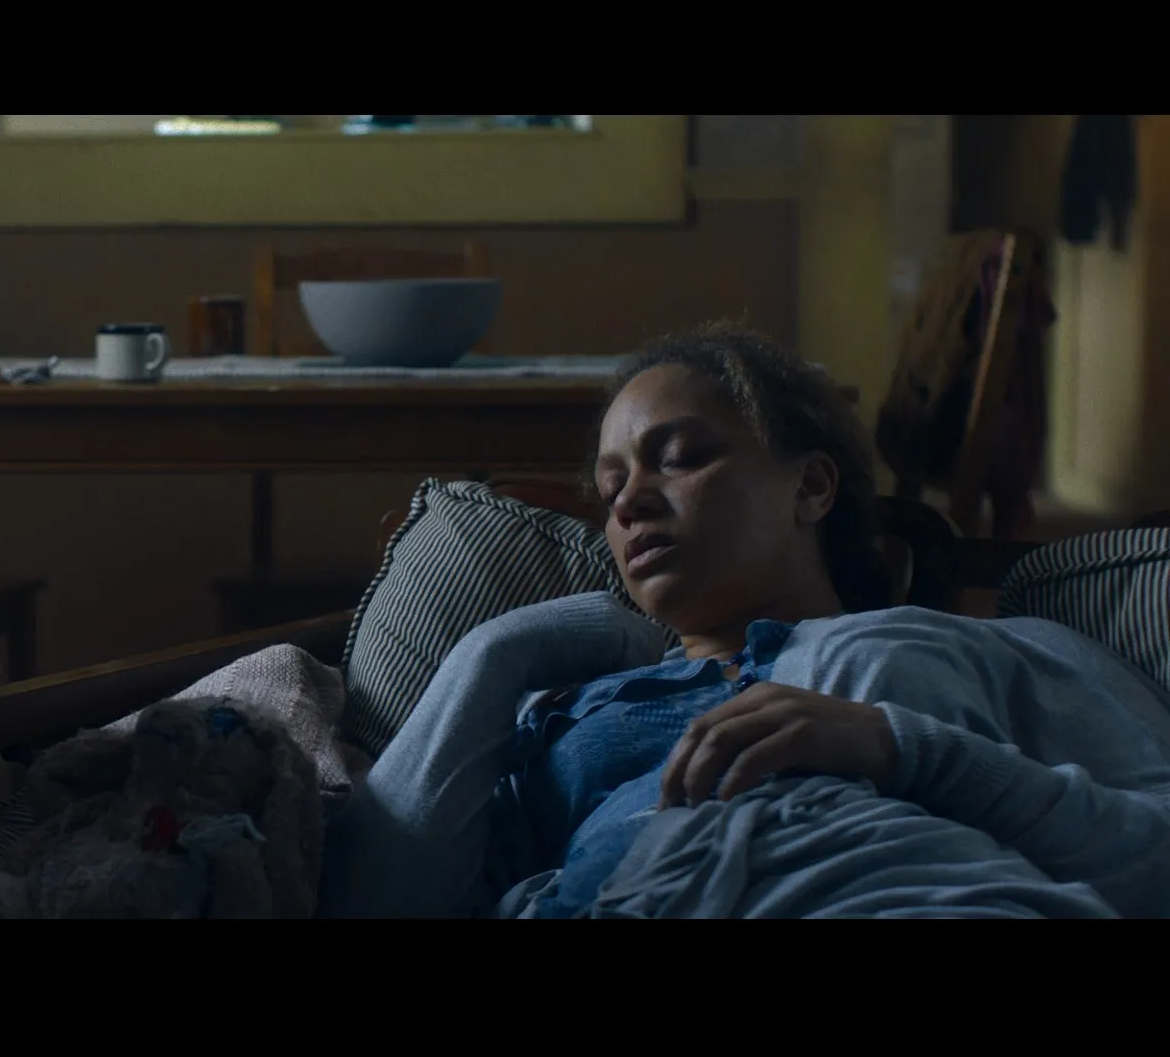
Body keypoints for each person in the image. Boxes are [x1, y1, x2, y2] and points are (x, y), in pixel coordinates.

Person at [319, 323, 1170, 919]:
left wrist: (904, 748)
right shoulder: (558, 710)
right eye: (610, 490)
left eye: (680, 458)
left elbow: (1154, 861)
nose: (629, 503)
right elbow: (377, 903)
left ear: (812, 487)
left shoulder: (999, 647)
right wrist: (495, 653)